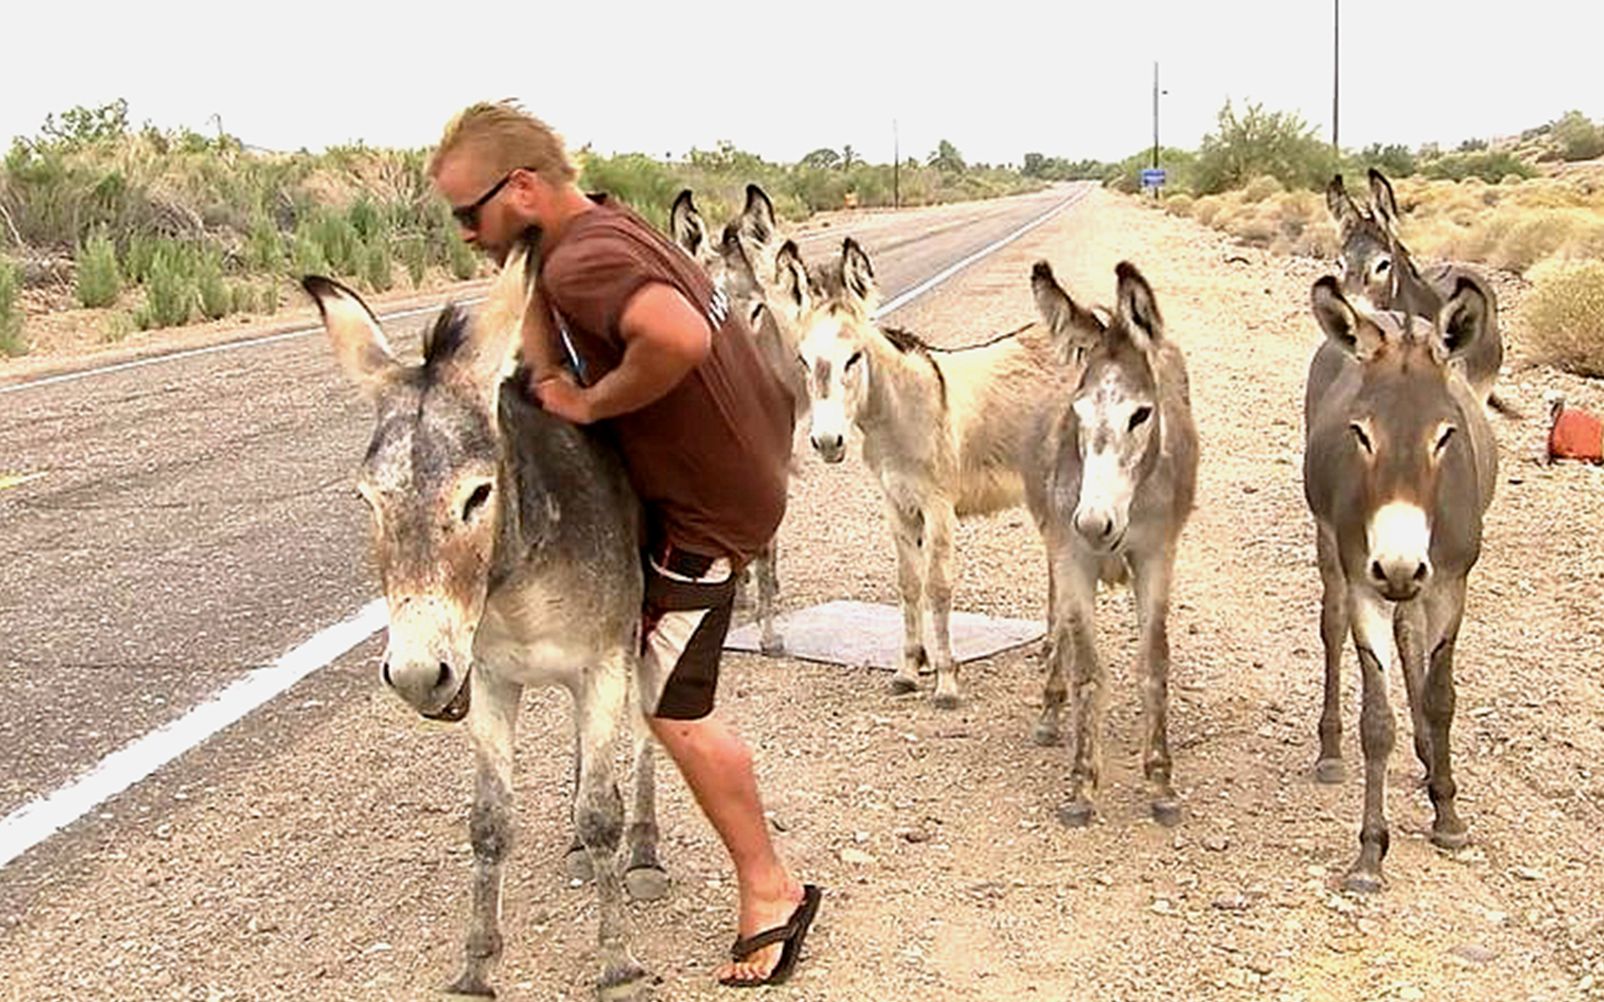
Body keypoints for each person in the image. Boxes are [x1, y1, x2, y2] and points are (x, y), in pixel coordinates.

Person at [427, 100, 819, 988]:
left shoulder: (587, 259)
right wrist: (545, 353)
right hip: (732, 467)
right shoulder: (590, 226)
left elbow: (674, 336)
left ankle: (774, 892)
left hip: (706, 516)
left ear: (521, 188)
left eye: (470, 215)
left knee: (669, 705)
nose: (462, 234)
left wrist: (595, 403)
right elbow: (543, 332)